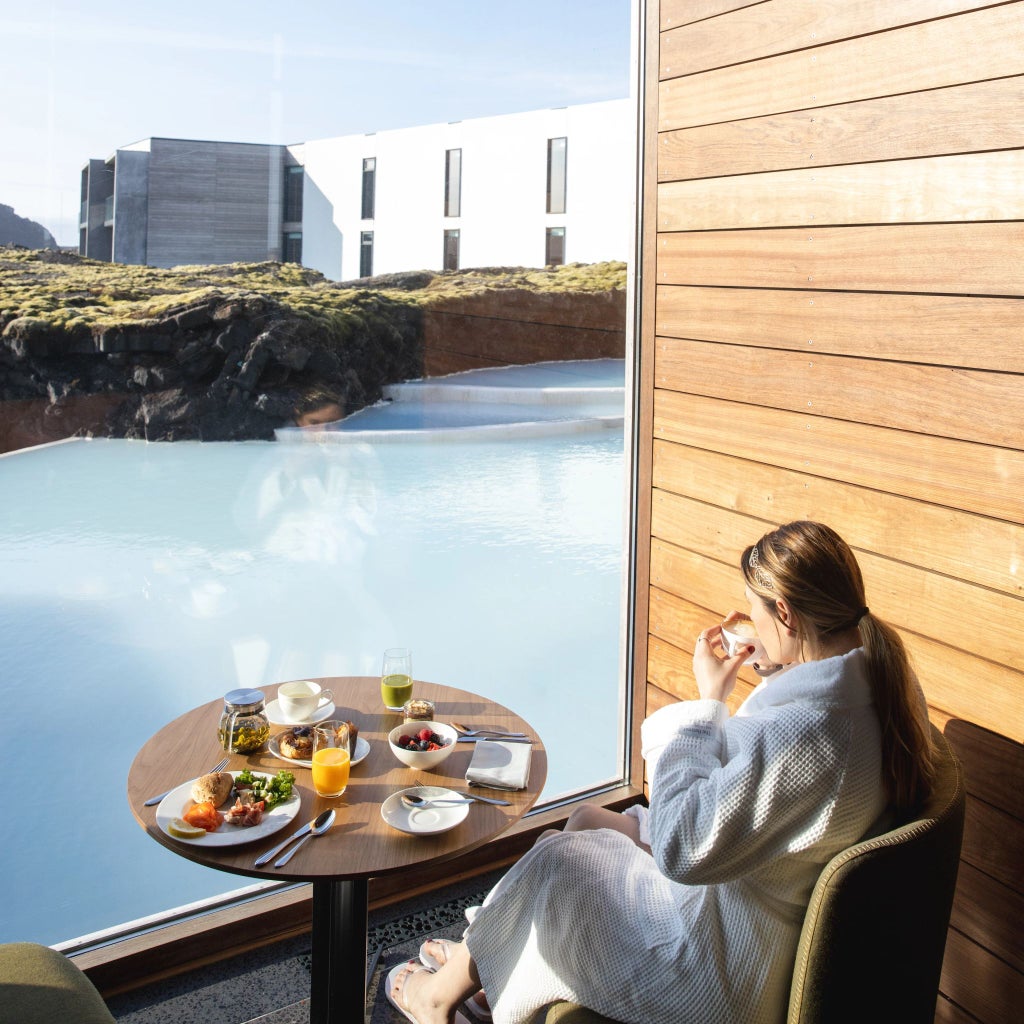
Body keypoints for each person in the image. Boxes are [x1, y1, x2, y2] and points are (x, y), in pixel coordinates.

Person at [387, 521, 937, 1024]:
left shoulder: (809, 734)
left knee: (558, 860)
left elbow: (679, 849)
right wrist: (777, 666)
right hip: (748, 911)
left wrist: (706, 703)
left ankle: (437, 1000)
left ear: (787, 614)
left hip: (719, 973)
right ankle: (485, 959)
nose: (754, 626)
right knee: (584, 823)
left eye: (758, 612)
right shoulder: (877, 688)